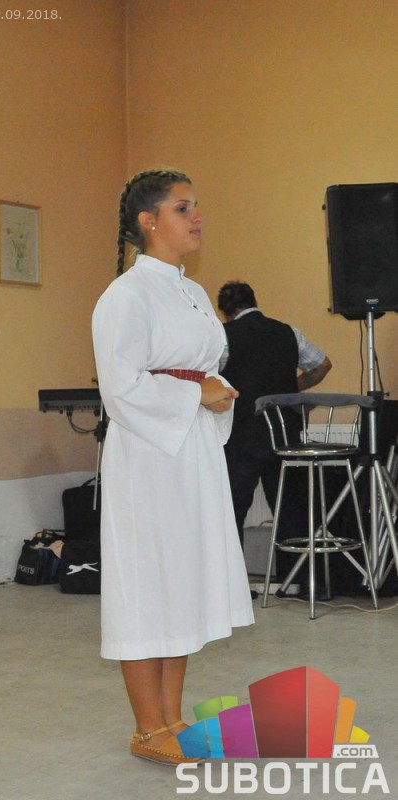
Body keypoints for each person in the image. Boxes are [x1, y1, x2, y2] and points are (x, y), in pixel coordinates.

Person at [92, 170, 254, 766]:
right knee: (147, 583)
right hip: (148, 456)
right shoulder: (126, 296)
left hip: (191, 451)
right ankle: (146, 728)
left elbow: (198, 366)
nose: (197, 217)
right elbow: (121, 386)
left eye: (196, 206)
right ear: (149, 221)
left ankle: (173, 718)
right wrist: (194, 394)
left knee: (180, 581)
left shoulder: (192, 291)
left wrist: (216, 390)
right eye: (183, 208)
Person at [217, 281, 332, 581]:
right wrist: (291, 390)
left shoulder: (224, 336)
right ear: (255, 301)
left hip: (243, 432)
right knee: (289, 505)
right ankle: (298, 580)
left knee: (231, 508)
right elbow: (322, 364)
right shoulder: (288, 332)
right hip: (285, 431)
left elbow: (211, 378)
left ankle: (233, 584)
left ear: (225, 313)